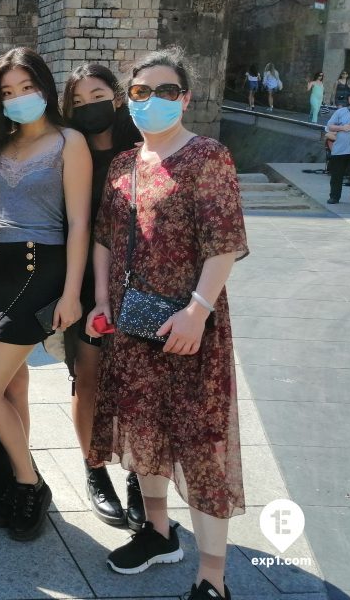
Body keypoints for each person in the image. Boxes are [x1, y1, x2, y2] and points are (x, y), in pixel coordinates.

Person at [85, 48, 248, 600]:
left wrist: (198, 311)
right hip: (132, 325)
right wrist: (101, 300)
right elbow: (105, 238)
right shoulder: (125, 164)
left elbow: (222, 243)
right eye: (140, 92)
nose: (151, 102)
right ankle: (157, 531)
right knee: (143, 432)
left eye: (165, 92)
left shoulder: (208, 157)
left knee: (203, 444)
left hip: (188, 327)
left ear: (186, 98)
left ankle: (212, 577)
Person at [0, 47, 91, 542]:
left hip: (40, 270)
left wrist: (72, 293)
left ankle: (29, 483)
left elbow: (79, 222)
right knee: (12, 386)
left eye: (27, 88)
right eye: (7, 92)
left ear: (45, 88)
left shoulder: (68, 142)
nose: (17, 99)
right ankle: (18, 473)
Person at [61, 63, 144, 530]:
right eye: (78, 101)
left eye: (97, 95)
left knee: (134, 382)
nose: (89, 106)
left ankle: (136, 473)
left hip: (139, 283)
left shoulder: (141, 149)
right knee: (87, 376)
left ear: (116, 97)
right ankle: (94, 469)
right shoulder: (70, 152)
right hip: (86, 281)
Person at [325, 90, 350, 204]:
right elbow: (329, 127)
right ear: (349, 100)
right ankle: (334, 196)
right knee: (337, 175)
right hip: (341, 149)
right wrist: (342, 128)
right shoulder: (340, 112)